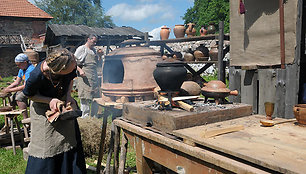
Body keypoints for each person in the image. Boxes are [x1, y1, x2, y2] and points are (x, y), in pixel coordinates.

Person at [23, 48, 86, 173]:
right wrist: (50, 100)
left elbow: (70, 79)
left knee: (69, 140)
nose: (74, 69)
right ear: (59, 70)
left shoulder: (69, 63)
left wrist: (68, 96)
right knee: (46, 145)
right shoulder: (36, 76)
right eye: (71, 68)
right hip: (41, 106)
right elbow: (29, 95)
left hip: (62, 104)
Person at [74, 34, 100, 118]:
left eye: (96, 42)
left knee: (95, 95)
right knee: (85, 96)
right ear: (88, 39)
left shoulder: (94, 50)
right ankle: (85, 116)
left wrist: (99, 56)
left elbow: (97, 63)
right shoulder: (82, 49)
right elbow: (73, 62)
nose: (95, 43)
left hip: (93, 74)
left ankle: (94, 115)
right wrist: (80, 70)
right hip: (84, 74)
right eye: (93, 41)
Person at [2, 53, 35, 119]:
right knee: (12, 98)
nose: (18, 66)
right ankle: (10, 119)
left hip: (33, 89)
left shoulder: (30, 69)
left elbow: (25, 86)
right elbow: (17, 82)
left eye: (19, 65)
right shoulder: (21, 69)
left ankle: (25, 120)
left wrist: (10, 90)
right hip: (26, 88)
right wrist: (7, 88)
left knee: (19, 98)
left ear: (25, 62)